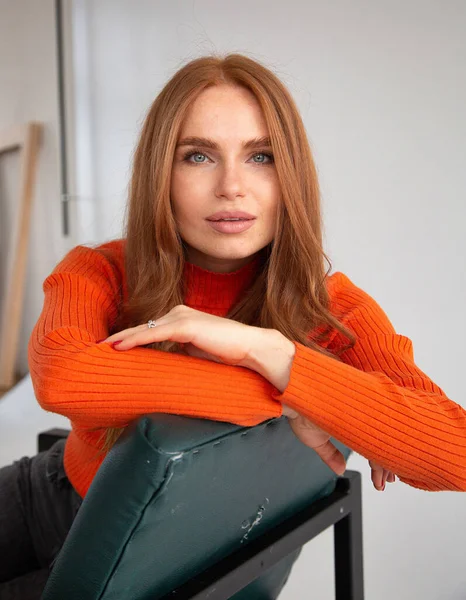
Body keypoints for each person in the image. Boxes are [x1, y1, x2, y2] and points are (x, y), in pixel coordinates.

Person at [1, 53, 465, 597]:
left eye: (260, 156)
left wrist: (276, 353)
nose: (231, 186)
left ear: (290, 173)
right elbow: (62, 378)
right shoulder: (99, 270)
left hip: (156, 565)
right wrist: (291, 395)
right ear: (161, 174)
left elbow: (455, 450)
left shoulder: (334, 311)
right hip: (50, 493)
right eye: (198, 156)